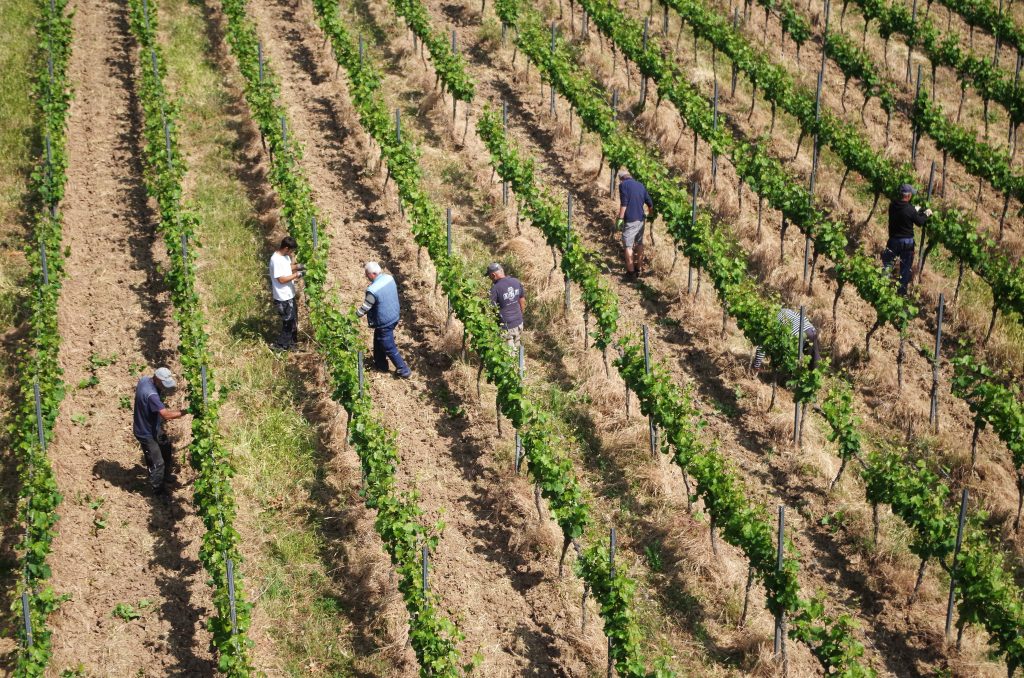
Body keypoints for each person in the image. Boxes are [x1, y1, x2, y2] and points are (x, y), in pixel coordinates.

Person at [133, 367, 188, 494]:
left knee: (166, 446)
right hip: (145, 432)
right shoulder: (152, 395)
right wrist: (185, 412)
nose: (164, 386)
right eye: (163, 383)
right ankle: (157, 489)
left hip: (153, 427)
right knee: (157, 462)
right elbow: (166, 415)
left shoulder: (144, 380)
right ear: (157, 379)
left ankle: (166, 476)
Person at [356, 262, 411, 378]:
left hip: (385, 321)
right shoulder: (389, 278)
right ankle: (380, 364)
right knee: (378, 339)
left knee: (387, 344)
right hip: (394, 315)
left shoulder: (373, 290)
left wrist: (354, 316)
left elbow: (365, 307)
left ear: (374, 274)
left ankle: (403, 369)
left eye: (367, 274)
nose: (366, 276)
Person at [884, 183, 932, 296]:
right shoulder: (910, 209)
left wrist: (914, 209)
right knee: (905, 269)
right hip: (907, 243)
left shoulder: (892, 205)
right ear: (909, 195)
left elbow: (903, 210)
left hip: (893, 240)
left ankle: (882, 287)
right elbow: (920, 222)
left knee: (888, 265)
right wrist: (926, 214)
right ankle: (901, 293)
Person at [616, 168, 654, 280]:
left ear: (621, 179)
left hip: (630, 220)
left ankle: (630, 273)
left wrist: (620, 218)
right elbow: (650, 203)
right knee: (639, 243)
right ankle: (638, 269)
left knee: (628, 245)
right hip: (641, 220)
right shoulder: (640, 185)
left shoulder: (623, 186)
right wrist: (650, 215)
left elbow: (624, 204)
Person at [752, 308, 821, 370]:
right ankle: (815, 375)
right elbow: (801, 318)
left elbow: (762, 347)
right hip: (811, 330)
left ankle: (789, 377)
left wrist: (756, 366)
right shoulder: (785, 310)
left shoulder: (769, 322)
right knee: (813, 355)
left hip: (798, 334)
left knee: (791, 358)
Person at [269, 236, 305, 350]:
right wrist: (296, 275)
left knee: (294, 320)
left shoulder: (285, 256)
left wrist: (298, 267)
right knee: (288, 321)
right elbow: (281, 279)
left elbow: (287, 267)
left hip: (290, 294)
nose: (292, 253)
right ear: (285, 248)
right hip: (282, 297)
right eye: (291, 250)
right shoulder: (275, 260)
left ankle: (292, 344)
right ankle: (280, 345)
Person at [487, 262, 526, 348]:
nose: (490, 279)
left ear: (493, 275)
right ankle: (520, 361)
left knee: (508, 356)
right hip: (519, 323)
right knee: (518, 352)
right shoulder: (516, 281)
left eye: (489, 276)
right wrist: (520, 315)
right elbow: (522, 299)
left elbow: (490, 308)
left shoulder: (495, 288)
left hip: (506, 327)